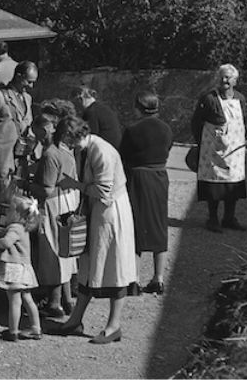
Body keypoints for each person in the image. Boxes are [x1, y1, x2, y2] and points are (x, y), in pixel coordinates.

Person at [55, 116, 138, 344]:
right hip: (96, 212)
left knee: (114, 267)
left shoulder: (101, 150)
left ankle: (113, 326)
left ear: (78, 135)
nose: (69, 147)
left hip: (111, 213)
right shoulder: (84, 149)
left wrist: (73, 184)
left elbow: (103, 190)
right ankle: (76, 320)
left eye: (70, 141)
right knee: (88, 267)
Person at [26, 111, 80, 317]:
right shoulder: (65, 150)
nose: (37, 137)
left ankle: (54, 303)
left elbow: (46, 189)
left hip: (53, 205)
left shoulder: (50, 153)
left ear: (46, 128)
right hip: (68, 202)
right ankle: (66, 301)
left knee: (52, 253)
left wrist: (27, 184)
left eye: (37, 132)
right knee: (64, 255)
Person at [119, 91, 173, 295]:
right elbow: (168, 148)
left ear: (139, 107)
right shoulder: (166, 128)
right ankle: (158, 278)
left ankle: (134, 279)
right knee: (159, 225)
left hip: (139, 177)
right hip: (160, 176)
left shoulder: (132, 130)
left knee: (136, 226)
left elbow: (123, 153)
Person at [190, 64, 247, 233]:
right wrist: (203, 143)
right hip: (214, 150)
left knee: (233, 185)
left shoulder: (240, 99)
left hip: (235, 151)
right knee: (214, 186)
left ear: (235, 81)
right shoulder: (208, 99)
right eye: (222, 77)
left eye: (228, 77)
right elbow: (196, 123)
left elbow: (244, 121)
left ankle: (229, 218)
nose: (224, 80)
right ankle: (212, 219)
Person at [0, 61, 38, 203]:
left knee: (19, 195)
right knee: (3, 194)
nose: (31, 86)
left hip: (21, 157)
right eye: (29, 81)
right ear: (19, 76)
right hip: (2, 156)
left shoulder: (27, 99)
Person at [0, 195, 42, 341]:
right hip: (24, 268)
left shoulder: (14, 228)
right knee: (27, 298)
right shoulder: (25, 227)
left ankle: (13, 331)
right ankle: (36, 328)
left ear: (16, 213)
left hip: (14, 268)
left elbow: (6, 242)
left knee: (14, 300)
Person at [71, 86, 122, 150]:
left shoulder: (91, 112)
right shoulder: (104, 108)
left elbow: (89, 138)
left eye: (75, 103)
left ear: (80, 99)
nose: (76, 107)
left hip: (105, 151)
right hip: (115, 151)